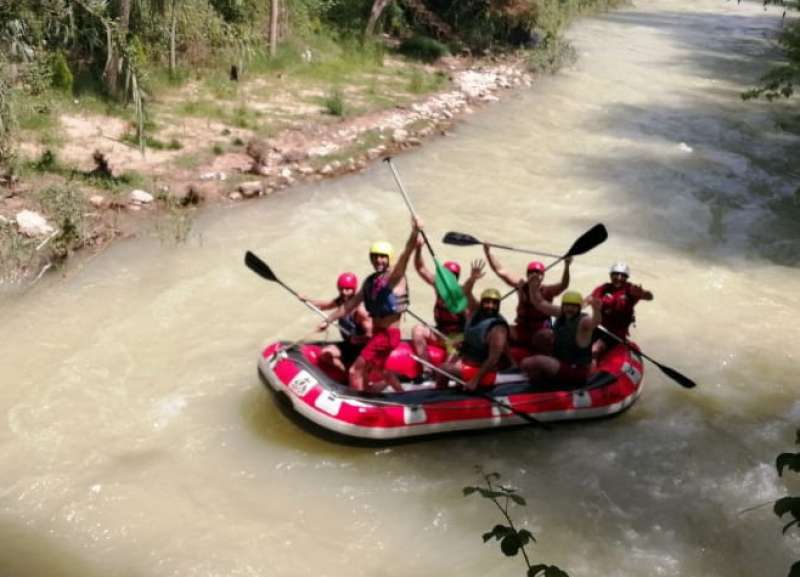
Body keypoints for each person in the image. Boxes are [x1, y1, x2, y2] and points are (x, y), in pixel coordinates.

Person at [322, 218, 422, 393]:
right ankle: (401, 394)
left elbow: (406, 254)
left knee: (355, 370)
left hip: (387, 335)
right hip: (379, 333)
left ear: (389, 258)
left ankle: (358, 403)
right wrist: (328, 320)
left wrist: (414, 232)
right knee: (379, 370)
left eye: (382, 257)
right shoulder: (370, 281)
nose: (378, 260)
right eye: (375, 257)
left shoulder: (395, 276)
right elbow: (350, 304)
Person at [436, 260, 510, 391]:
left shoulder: (498, 328)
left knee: (444, 369)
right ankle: (445, 394)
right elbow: (465, 293)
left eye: (494, 303)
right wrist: (472, 279)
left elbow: (493, 359)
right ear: (481, 303)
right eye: (487, 302)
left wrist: (475, 380)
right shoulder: (476, 312)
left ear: (498, 305)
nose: (490, 306)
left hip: (483, 374)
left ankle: (439, 396)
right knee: (450, 361)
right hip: (469, 364)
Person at [483, 244, 571, 353]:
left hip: (541, 330)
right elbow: (500, 271)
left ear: (543, 276)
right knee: (498, 330)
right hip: (522, 328)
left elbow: (564, 284)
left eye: (538, 274)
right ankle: (506, 357)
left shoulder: (548, 291)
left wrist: (566, 266)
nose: (535, 276)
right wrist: (488, 253)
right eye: (531, 273)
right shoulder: (520, 285)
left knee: (546, 336)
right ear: (527, 275)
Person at [520, 282, 601, 389]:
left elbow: (595, 322)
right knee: (541, 336)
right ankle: (546, 372)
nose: (569, 309)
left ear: (579, 308)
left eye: (573, 307)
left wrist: (596, 310)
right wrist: (532, 287)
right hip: (562, 360)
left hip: (576, 370)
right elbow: (539, 303)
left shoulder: (584, 321)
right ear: (563, 306)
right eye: (567, 306)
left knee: (530, 363)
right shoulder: (561, 313)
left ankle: (546, 377)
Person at [410, 244, 466, 374]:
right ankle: (427, 370)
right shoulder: (438, 286)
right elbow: (420, 268)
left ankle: (446, 371)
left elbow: (471, 322)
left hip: (456, 338)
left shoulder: (462, 296)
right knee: (417, 330)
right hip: (440, 333)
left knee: (448, 366)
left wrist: (463, 342)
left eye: (452, 277)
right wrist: (418, 249)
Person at [301, 273, 372, 374]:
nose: (344, 292)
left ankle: (354, 374)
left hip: (363, 349)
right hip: (349, 345)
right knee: (325, 354)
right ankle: (344, 373)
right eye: (341, 289)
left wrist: (358, 339)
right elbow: (325, 305)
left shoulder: (360, 312)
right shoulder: (341, 300)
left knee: (354, 369)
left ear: (354, 289)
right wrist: (306, 300)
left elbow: (372, 336)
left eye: (347, 289)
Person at [591, 262, 653, 356]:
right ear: (611, 275)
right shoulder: (603, 288)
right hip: (599, 328)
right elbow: (589, 300)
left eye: (623, 275)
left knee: (595, 349)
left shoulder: (630, 289)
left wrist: (643, 293)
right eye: (616, 274)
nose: (619, 278)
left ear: (626, 278)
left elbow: (650, 297)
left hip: (616, 334)